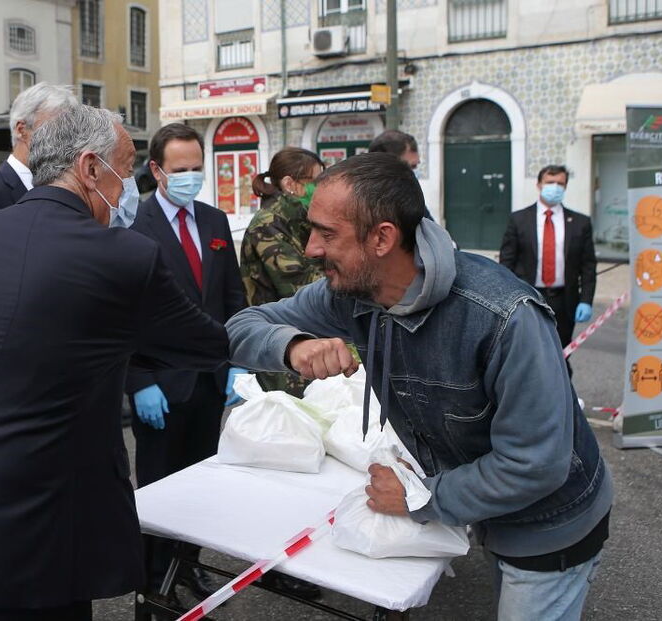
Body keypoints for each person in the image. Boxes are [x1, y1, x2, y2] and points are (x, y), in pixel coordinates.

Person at [0, 104, 229, 621]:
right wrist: (283, 334)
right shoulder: (125, 258)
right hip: (37, 546)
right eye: (124, 171)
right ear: (90, 167)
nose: (126, 190)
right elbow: (207, 343)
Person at [226, 153, 612, 621]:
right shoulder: (350, 293)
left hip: (551, 526)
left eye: (327, 234)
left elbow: (535, 464)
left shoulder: (503, 317)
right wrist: (293, 346)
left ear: (383, 238)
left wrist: (421, 497)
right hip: (486, 509)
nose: (310, 248)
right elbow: (241, 326)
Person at [125, 123, 246, 602]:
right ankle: (153, 582)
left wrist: (239, 360)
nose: (191, 177)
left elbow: (232, 298)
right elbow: (123, 312)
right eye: (181, 170)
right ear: (156, 170)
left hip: (210, 380)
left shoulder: (215, 223)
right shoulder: (135, 224)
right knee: (160, 489)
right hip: (160, 385)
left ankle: (188, 566)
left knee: (201, 486)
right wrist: (138, 380)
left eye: (197, 167)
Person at [240, 147, 325, 397]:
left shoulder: (300, 219)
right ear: (291, 184)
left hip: (307, 345)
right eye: (317, 180)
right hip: (283, 357)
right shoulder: (268, 225)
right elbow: (305, 286)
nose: (321, 187)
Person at [499, 165, 596, 356]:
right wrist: (504, 296)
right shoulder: (519, 219)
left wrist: (586, 300)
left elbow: (588, 265)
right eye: (550, 183)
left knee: (560, 355)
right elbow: (506, 262)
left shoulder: (580, 223)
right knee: (528, 353)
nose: (555, 187)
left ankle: (562, 385)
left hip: (564, 300)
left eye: (560, 183)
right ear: (539, 185)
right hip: (528, 297)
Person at [0, 82, 76, 214]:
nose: (65, 141)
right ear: (21, 130)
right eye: (54, 130)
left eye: (69, 132)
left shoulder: (65, 192)